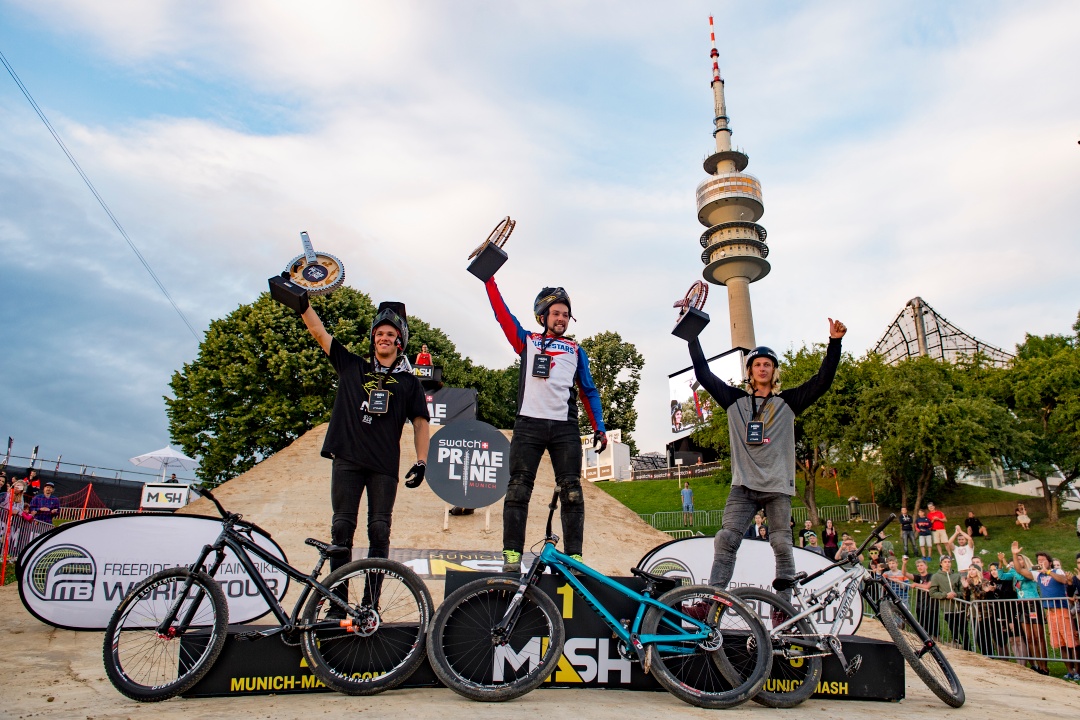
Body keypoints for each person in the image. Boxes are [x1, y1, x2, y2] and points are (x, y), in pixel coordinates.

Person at [686, 319, 845, 604]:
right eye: (757, 364)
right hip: (743, 486)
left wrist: (834, 343)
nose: (762, 368)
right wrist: (692, 338)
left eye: (767, 365)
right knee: (726, 538)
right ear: (749, 371)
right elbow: (704, 374)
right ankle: (712, 600)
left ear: (774, 372)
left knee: (782, 543)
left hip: (777, 486)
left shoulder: (789, 401)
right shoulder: (733, 400)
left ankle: (783, 605)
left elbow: (823, 381)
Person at [281, 293, 431, 581]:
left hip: (383, 465)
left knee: (379, 529)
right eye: (379, 333)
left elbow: (421, 423)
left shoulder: (409, 382)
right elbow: (319, 333)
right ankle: (338, 603)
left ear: (400, 341)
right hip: (347, 459)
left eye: (390, 334)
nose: (384, 338)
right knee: (341, 528)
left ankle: (370, 606)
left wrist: (421, 461)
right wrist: (301, 302)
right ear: (373, 338)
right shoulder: (352, 366)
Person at [483, 282, 606, 572]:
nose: (562, 318)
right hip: (528, 424)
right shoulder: (527, 341)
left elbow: (589, 391)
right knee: (517, 489)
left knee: (572, 490)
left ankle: (574, 557)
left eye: (566, 314)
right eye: (556, 313)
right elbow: (503, 315)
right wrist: (489, 281)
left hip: (565, 427)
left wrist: (599, 426)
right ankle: (512, 556)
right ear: (543, 317)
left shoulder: (576, 350)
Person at [1016, 550, 1079, 679]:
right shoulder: (1037, 574)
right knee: (1060, 643)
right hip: (1050, 612)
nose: (1040, 562)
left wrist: (1048, 571)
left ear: (1049, 562)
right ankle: (1069, 671)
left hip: (1062, 610)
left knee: (1071, 642)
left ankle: (1077, 671)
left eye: (1043, 560)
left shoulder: (1056, 571)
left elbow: (1063, 580)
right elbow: (1020, 571)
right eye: (1038, 560)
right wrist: (1013, 554)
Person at [997, 543, 1049, 674]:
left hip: (1033, 604)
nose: (1017, 561)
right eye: (1016, 559)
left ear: (1024, 561)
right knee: (1030, 638)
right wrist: (1000, 563)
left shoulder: (1031, 572)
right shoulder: (1014, 573)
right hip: (1022, 606)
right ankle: (1037, 665)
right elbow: (1002, 576)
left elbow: (1020, 575)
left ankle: (1044, 666)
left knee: (1039, 637)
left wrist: (1014, 556)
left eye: (1020, 559)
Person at [929, 556, 967, 649]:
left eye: (949, 562)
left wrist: (955, 594)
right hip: (947, 608)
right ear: (941, 563)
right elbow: (932, 592)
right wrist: (945, 595)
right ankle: (958, 647)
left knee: (964, 630)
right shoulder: (936, 576)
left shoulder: (956, 575)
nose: (947, 563)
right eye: (945, 562)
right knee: (953, 629)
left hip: (960, 608)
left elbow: (962, 592)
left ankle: (968, 648)